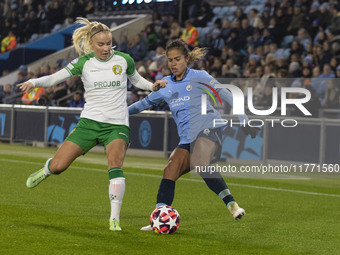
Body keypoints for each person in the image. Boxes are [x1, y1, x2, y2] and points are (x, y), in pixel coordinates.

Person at [17, 17, 167, 231]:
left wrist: (153, 86)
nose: (106, 48)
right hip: (89, 123)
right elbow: (54, 78)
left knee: (115, 164)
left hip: (117, 124)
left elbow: (137, 81)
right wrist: (34, 82)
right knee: (60, 166)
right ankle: (47, 170)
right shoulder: (83, 63)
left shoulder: (124, 60)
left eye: (109, 43)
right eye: (101, 44)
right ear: (91, 44)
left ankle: (114, 219)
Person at [128, 39, 258, 231]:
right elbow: (142, 104)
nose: (173, 64)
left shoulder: (200, 76)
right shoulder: (165, 86)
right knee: (170, 170)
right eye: (170, 60)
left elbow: (226, 93)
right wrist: (118, 112)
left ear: (187, 59)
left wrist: (244, 119)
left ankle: (232, 205)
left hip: (210, 128)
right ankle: (159, 218)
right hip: (188, 138)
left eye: (177, 59)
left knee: (199, 162)